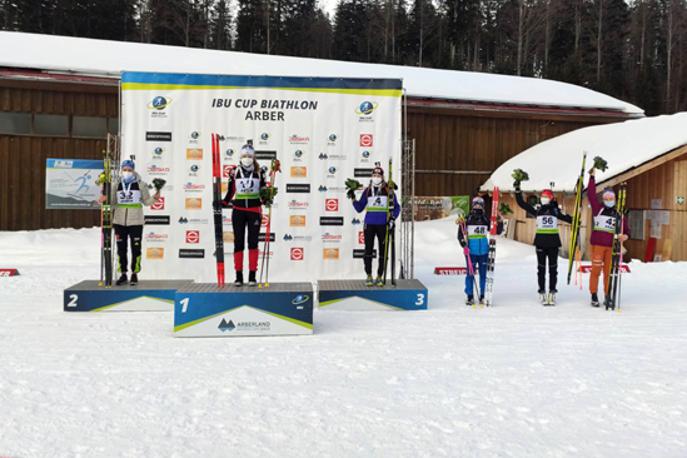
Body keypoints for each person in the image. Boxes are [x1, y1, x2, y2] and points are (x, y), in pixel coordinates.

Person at [101, 160, 161, 286]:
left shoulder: (141, 185)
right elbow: (111, 203)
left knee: (136, 249)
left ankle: (134, 273)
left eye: (129, 169)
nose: (127, 171)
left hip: (136, 222)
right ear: (121, 170)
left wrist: (155, 198)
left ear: (133, 170)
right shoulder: (116, 184)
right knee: (121, 249)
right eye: (125, 169)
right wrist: (103, 200)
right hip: (119, 222)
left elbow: (146, 201)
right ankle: (123, 273)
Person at [219, 144, 269, 287]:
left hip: (254, 211)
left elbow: (263, 190)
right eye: (244, 156)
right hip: (238, 211)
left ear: (254, 157)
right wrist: (223, 202)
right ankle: (239, 276)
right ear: (240, 157)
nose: (247, 158)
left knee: (253, 243)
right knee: (238, 243)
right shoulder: (235, 172)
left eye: (250, 156)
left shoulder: (260, 172)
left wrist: (267, 197)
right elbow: (231, 191)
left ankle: (252, 276)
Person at [514, 184, 573, 304]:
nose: (543, 198)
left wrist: (576, 216)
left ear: (551, 198)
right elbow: (522, 204)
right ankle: (541, 291)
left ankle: (552, 292)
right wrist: (517, 190)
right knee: (541, 269)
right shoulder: (538, 209)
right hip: (540, 243)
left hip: (553, 243)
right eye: (542, 196)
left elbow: (570, 219)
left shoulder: (555, 210)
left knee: (553, 269)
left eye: (546, 196)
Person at [350, 165, 400, 286]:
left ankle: (379, 276)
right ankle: (368, 275)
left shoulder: (388, 190)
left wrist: (392, 218)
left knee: (383, 252)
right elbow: (359, 208)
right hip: (369, 224)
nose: (376, 177)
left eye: (378, 175)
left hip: (383, 224)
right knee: (368, 250)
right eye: (374, 175)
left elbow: (396, 207)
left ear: (382, 177)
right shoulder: (367, 191)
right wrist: (352, 198)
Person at [587, 169, 629, 307]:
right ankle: (593, 294)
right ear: (603, 199)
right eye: (606, 198)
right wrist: (592, 178)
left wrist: (625, 236)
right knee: (596, 270)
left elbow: (626, 230)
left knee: (609, 272)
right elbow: (591, 195)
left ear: (615, 199)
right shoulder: (598, 209)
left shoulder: (619, 213)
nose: (609, 200)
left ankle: (607, 294)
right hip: (598, 246)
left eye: (611, 198)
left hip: (612, 246)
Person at [457, 196, 491, 305]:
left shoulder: (486, 219)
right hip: (471, 252)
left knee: (483, 274)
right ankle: (470, 295)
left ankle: (482, 295)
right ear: (472, 205)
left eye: (480, 204)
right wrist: (463, 244)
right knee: (470, 274)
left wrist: (499, 222)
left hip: (484, 252)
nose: (478, 206)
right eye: (476, 204)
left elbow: (495, 230)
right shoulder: (468, 219)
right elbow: (460, 234)